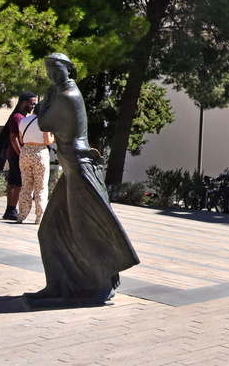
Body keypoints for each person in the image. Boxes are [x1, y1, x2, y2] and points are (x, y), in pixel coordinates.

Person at [29, 53, 138, 304]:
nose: (52, 76)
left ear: (69, 70)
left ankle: (103, 285)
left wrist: (46, 98)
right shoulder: (61, 93)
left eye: (56, 70)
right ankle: (58, 285)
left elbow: (43, 123)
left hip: (79, 168)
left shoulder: (68, 97)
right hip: (70, 167)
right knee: (49, 230)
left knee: (86, 230)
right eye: (48, 72)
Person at [0, 91, 36, 221]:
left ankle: (9, 210)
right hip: (15, 154)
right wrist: (21, 154)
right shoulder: (17, 117)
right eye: (32, 103)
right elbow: (14, 138)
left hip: (13, 153)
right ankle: (12, 208)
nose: (33, 106)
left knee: (13, 180)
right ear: (24, 103)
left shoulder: (20, 117)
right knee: (19, 181)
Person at [16, 109, 54, 224]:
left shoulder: (24, 120)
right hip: (40, 153)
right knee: (41, 186)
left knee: (26, 186)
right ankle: (39, 217)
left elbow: (21, 138)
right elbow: (47, 141)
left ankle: (22, 215)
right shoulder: (44, 122)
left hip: (25, 152)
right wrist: (54, 137)